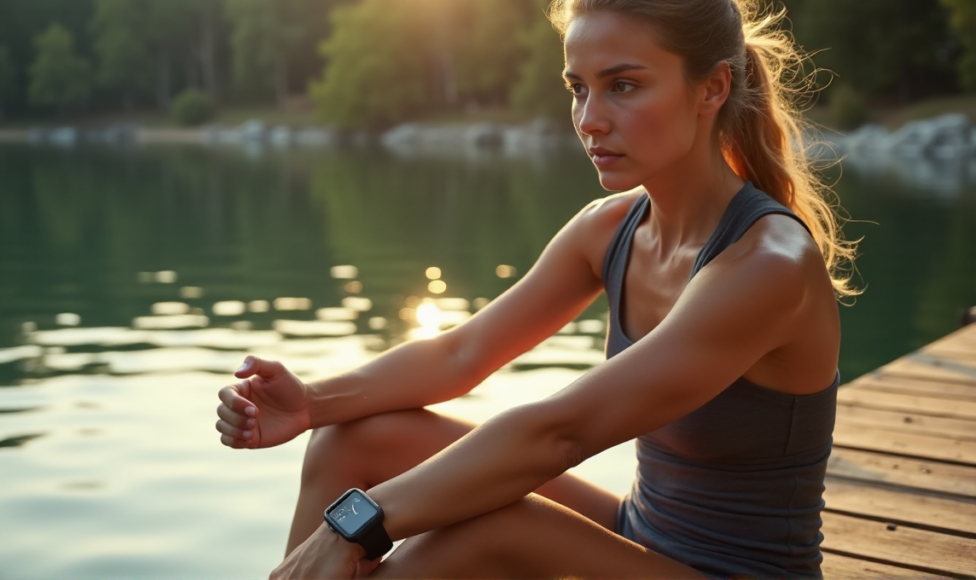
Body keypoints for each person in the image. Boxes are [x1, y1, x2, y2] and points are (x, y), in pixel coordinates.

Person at [215, 0, 857, 577]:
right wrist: (309, 405)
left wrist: (356, 525)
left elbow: (563, 432)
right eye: (579, 88)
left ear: (711, 87)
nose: (590, 119)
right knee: (352, 439)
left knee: (489, 529)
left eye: (624, 87)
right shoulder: (610, 229)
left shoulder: (767, 266)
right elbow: (459, 355)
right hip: (640, 538)